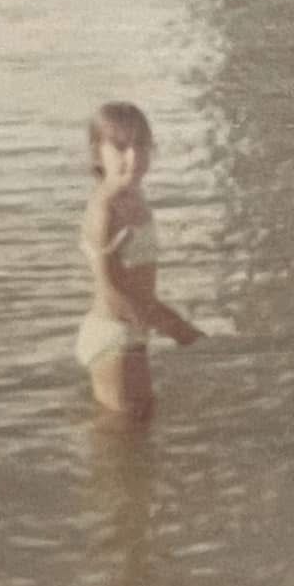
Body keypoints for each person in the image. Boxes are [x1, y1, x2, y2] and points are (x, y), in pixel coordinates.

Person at [76, 101, 202, 420]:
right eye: (119, 147)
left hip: (131, 330)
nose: (133, 157)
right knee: (126, 433)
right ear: (97, 154)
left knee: (137, 425)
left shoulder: (132, 194)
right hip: (116, 335)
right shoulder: (105, 209)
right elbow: (114, 290)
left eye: (141, 146)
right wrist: (175, 327)